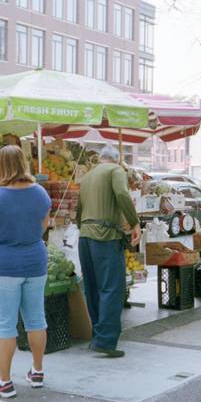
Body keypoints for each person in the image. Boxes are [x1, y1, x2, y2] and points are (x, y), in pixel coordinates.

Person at [0, 145, 51, 398]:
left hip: (5, 265)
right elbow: (43, 226)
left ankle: (4, 381)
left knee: (6, 325)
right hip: (35, 262)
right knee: (36, 319)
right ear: (23, 163)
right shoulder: (40, 193)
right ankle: (37, 372)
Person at [75, 145, 141, 358]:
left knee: (92, 288)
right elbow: (122, 194)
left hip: (85, 237)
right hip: (105, 237)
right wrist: (134, 222)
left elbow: (79, 210)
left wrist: (84, 228)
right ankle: (106, 341)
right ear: (116, 159)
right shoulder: (116, 171)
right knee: (112, 288)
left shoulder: (86, 177)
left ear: (101, 158)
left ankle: (97, 337)